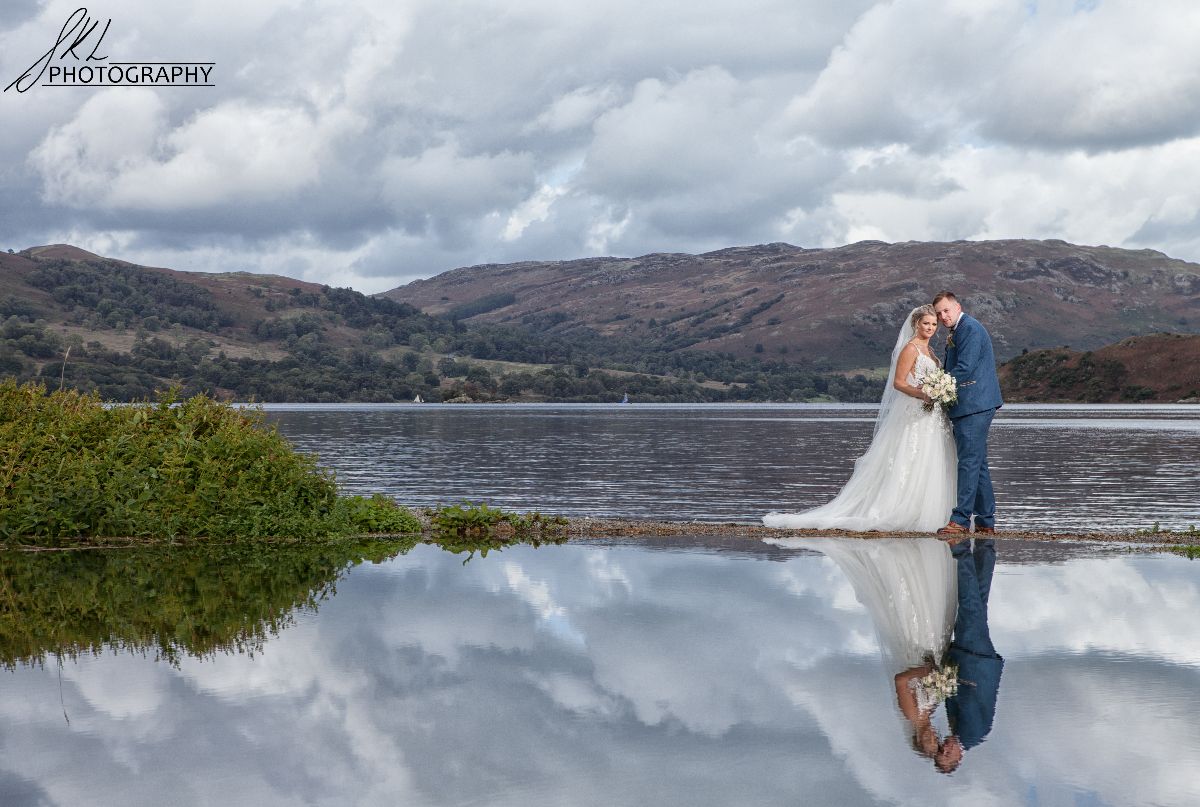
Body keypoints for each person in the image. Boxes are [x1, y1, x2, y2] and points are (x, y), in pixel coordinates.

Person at [763, 305, 956, 532]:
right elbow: (899, 383)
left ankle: (929, 513)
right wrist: (923, 394)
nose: (931, 328)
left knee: (930, 461)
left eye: (934, 324)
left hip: (932, 417)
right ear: (916, 324)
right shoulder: (910, 349)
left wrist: (940, 392)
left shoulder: (931, 352)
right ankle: (902, 511)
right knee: (910, 459)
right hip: (915, 412)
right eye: (926, 323)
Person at [930, 292, 1004, 536]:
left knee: (969, 462)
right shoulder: (958, 330)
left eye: (946, 311)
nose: (943, 316)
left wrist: (937, 387)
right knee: (978, 462)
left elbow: (965, 368)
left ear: (957, 306)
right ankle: (985, 521)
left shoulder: (970, 328)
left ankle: (960, 520)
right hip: (972, 405)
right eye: (939, 313)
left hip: (975, 404)